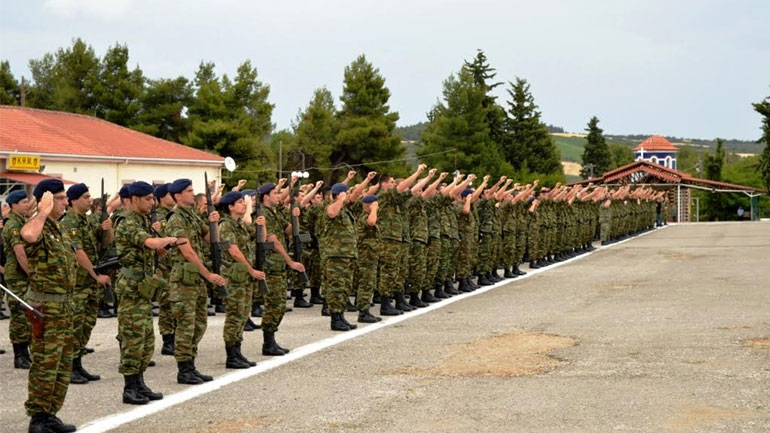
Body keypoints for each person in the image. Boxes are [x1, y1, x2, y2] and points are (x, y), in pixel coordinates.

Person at [21, 179, 78, 433]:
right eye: (61, 198)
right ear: (47, 200)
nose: (66, 202)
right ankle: (38, 419)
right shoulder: (38, 224)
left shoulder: (59, 229)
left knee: (62, 364)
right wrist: (42, 211)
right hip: (46, 307)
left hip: (64, 307)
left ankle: (50, 413)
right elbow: (29, 236)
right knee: (45, 364)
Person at [115, 181, 176, 404]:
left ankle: (139, 383)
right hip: (131, 288)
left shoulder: (143, 220)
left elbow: (151, 249)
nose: (152, 202)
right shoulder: (128, 222)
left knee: (146, 339)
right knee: (133, 338)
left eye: (153, 198)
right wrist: (167, 239)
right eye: (148, 199)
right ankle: (129, 387)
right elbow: (148, 242)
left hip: (142, 287)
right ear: (134, 200)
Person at [165, 178, 226, 385]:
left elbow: (210, 238)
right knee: (186, 325)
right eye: (189, 191)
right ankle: (184, 369)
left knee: (199, 324)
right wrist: (208, 274)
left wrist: (214, 222)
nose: (193, 194)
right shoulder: (175, 219)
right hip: (184, 280)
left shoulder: (191, 215)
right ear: (178, 195)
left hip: (195, 279)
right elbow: (188, 252)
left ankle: (191, 365)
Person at [60, 183, 112, 384]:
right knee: (75, 326)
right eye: (86, 197)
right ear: (73, 201)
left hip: (89, 284)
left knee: (86, 326)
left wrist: (108, 227)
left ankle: (78, 364)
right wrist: (95, 275)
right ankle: (69, 368)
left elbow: (107, 242)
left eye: (90, 196)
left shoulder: (87, 221)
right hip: (79, 283)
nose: (90, 200)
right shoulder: (70, 223)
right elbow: (78, 252)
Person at [218, 191, 265, 368]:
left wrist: (262, 224)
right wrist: (251, 270)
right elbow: (234, 251)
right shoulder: (226, 225)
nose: (243, 205)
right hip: (234, 276)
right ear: (230, 207)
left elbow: (260, 237)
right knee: (234, 316)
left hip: (242, 276)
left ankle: (238, 351)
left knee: (243, 313)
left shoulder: (240, 224)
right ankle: (231, 355)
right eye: (240, 202)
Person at [258, 182, 306, 354]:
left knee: (279, 304)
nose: (278, 196)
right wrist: (290, 261)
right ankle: (268, 343)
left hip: (278, 265)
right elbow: (273, 240)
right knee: (274, 304)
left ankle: (271, 341)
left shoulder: (275, 213)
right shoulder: (263, 214)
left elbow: (291, 231)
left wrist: (295, 217)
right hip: (271, 264)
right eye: (275, 193)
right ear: (266, 196)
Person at [321, 183, 359, 331]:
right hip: (335, 256)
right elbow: (331, 213)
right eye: (346, 193)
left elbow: (356, 195)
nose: (349, 195)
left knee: (344, 287)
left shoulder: (345, 210)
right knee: (336, 287)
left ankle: (341, 315)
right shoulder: (332, 207)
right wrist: (340, 199)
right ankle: (335, 319)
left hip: (347, 256)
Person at [2, 190, 33, 369]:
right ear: (13, 206)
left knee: (27, 315)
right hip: (18, 277)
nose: (27, 204)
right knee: (19, 316)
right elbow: (20, 253)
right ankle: (19, 355)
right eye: (23, 202)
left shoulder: (22, 221)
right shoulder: (13, 224)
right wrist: (32, 274)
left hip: (23, 276)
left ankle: (25, 353)